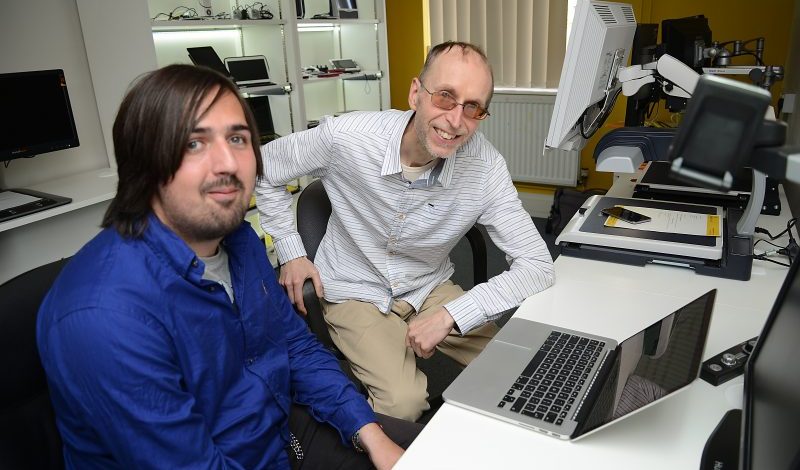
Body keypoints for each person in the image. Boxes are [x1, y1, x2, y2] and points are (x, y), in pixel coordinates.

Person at [36, 64, 421, 469]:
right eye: (194, 144)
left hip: (277, 429)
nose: (228, 164)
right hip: (225, 457)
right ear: (144, 162)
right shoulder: (105, 317)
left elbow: (295, 347)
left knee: (450, 450)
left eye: (238, 139)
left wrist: (371, 435)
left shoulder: (236, 238)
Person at [256, 41, 555, 421]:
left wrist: (453, 314)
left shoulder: (486, 168)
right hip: (355, 287)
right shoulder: (347, 137)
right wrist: (291, 252)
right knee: (404, 402)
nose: (456, 120)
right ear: (416, 93)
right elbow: (265, 167)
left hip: (428, 285)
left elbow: (538, 265)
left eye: (473, 107)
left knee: (517, 372)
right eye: (445, 97)